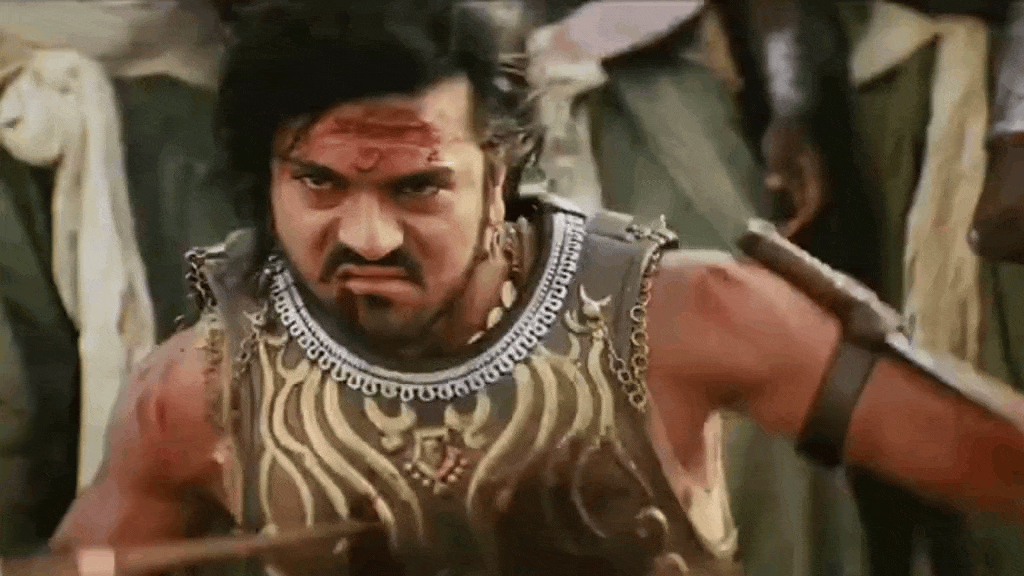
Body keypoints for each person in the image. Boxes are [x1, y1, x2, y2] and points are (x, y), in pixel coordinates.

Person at [49, 2, 1024, 575]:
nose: (368, 236)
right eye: (320, 185)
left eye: (418, 187)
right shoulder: (201, 394)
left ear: (501, 173)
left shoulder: (692, 319)